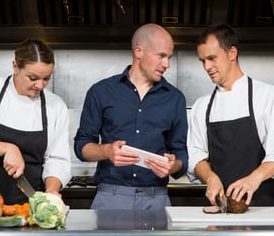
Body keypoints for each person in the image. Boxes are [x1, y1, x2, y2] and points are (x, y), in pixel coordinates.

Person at [74, 23, 188, 210]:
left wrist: (173, 166)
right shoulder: (101, 91)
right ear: (139, 52)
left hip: (156, 199)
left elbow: (181, 152)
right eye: (161, 56)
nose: (167, 64)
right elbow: (81, 146)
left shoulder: (175, 99)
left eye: (169, 58)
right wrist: (106, 152)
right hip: (110, 198)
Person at [187, 23, 274, 207]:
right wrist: (210, 178)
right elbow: (195, 155)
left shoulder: (266, 95)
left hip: (261, 205)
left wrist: (254, 179)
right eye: (202, 61)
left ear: (232, 53)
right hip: (218, 206)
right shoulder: (202, 106)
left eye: (212, 58)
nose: (207, 66)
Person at [0, 38, 71, 204]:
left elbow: (57, 159)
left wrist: (51, 191)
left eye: (46, 78)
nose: (40, 85)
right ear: (15, 67)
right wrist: (7, 148)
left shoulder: (56, 106)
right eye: (32, 78)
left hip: (29, 204)